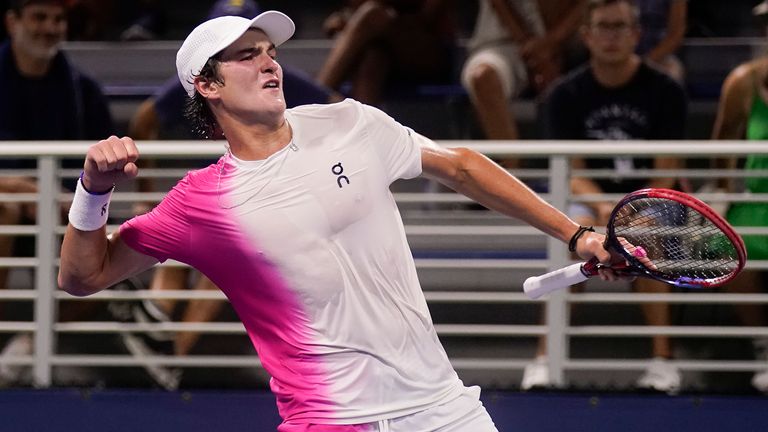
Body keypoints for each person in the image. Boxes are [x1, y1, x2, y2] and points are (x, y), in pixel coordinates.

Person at [58, 10, 626, 430]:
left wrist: (575, 234)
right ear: (208, 87)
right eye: (247, 55)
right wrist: (94, 191)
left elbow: (462, 168)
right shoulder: (200, 202)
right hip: (331, 420)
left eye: (269, 51)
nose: (268, 62)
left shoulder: (349, 123)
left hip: (444, 408)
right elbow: (83, 277)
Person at [120, 0, 342, 391]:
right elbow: (145, 119)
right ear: (208, 77)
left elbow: (338, 113)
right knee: (180, 246)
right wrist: (143, 196)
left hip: (268, 205)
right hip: (216, 198)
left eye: (261, 49)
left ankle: (169, 358)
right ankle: (156, 329)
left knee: (220, 258)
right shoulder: (203, 84)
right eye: (239, 50)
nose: (263, 63)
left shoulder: (276, 79)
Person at [522, 0, 688, 393]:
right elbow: (572, 171)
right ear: (587, 36)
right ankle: (546, 358)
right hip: (593, 198)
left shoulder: (665, 90)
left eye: (620, 27)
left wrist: (636, 208)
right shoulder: (565, 94)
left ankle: (663, 363)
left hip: (652, 198)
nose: (611, 36)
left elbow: (666, 168)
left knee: (648, 240)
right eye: (603, 27)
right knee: (573, 236)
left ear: (636, 34)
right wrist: (605, 209)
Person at [0, 0, 114, 386]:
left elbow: (105, 164)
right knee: (5, 212)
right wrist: (24, 187)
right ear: (12, 22)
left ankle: (24, 348)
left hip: (63, 213)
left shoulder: (84, 91)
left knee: (112, 263)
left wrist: (75, 195)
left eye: (58, 19)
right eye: (39, 17)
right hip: (11, 214)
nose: (50, 27)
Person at [710, 0, 768, 393]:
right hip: (757, 201)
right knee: (728, 244)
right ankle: (765, 345)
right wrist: (725, 196)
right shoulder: (743, 83)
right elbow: (721, 148)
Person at [461, 0, 587, 153]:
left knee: (612, 54)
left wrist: (550, 43)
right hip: (505, 40)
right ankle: (510, 170)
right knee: (483, 76)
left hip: (582, 40)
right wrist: (531, 49)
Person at [316, 0, 456, 105]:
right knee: (374, 57)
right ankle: (363, 133)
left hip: (430, 53)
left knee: (373, 15)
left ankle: (314, 98)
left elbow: (428, 14)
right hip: (385, 52)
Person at [636, 0, 687, 82]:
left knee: (671, 78)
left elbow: (676, 35)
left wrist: (645, 65)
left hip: (660, 57)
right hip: (623, 54)